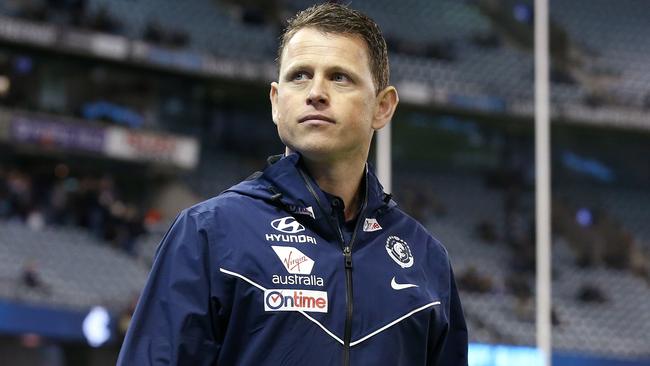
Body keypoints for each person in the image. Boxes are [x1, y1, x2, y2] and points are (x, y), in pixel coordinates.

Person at [117, 3, 467, 365]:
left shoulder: (426, 260)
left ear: (383, 107)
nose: (315, 92)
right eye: (299, 76)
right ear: (275, 102)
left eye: (339, 77)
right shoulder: (209, 234)